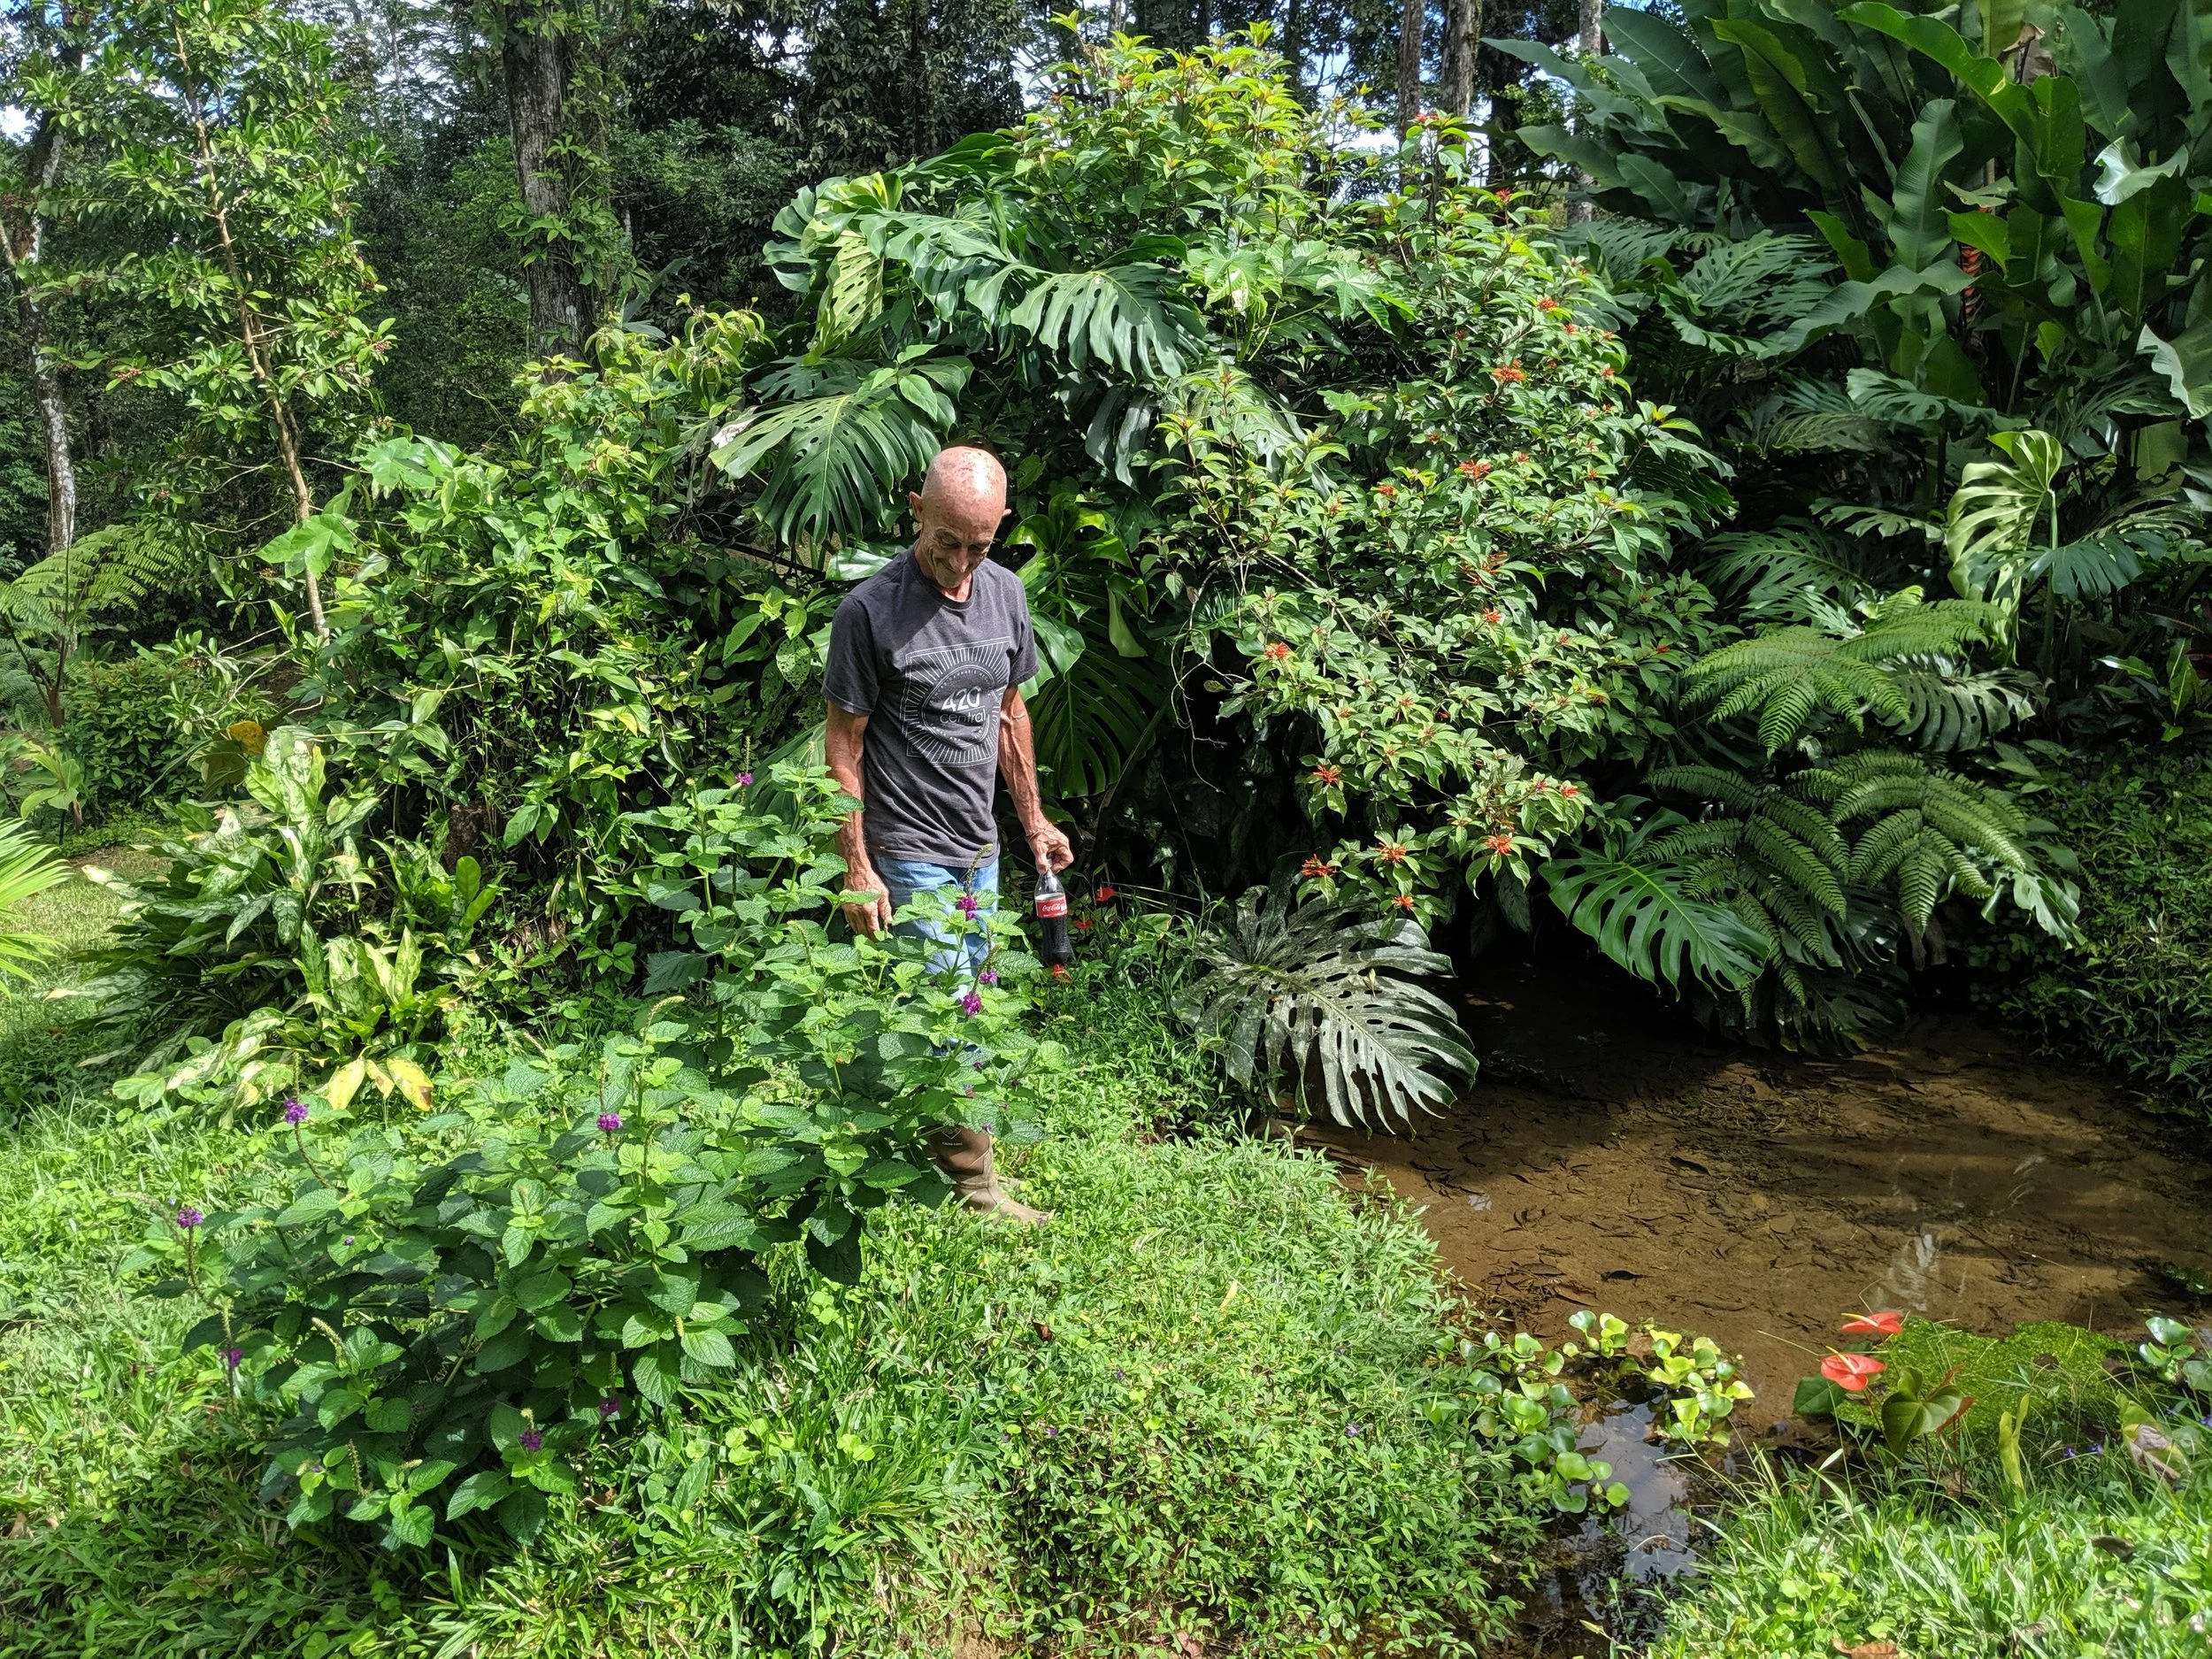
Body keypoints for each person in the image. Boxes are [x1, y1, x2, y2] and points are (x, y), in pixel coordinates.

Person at [822, 444, 1073, 1223]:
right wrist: (857, 865)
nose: (961, 563)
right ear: (915, 510)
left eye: (980, 545)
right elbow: (844, 745)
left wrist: (1033, 822)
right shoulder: (870, 611)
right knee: (947, 1014)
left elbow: (1008, 714)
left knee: (979, 1003)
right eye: (947, 542)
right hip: (907, 847)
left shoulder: (1004, 595)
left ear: (999, 529)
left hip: (981, 849)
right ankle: (975, 1191)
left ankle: (912, 1137)